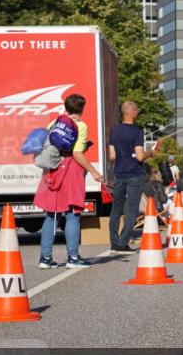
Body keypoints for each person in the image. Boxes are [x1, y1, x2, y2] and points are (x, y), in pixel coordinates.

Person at [34, 93, 103, 269]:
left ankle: (45, 258)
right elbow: (77, 154)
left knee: (52, 214)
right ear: (82, 109)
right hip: (70, 170)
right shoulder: (80, 125)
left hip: (52, 169)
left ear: (66, 107)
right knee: (73, 213)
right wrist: (94, 171)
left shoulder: (54, 123)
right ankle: (73, 258)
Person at [108, 101, 154, 253]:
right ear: (132, 111)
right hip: (134, 173)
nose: (138, 112)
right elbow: (140, 157)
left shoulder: (114, 131)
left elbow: (112, 155)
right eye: (137, 109)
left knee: (116, 208)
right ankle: (123, 242)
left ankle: (114, 243)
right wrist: (150, 153)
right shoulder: (137, 132)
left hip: (119, 173)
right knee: (131, 209)